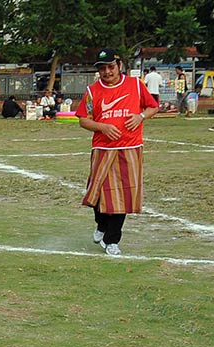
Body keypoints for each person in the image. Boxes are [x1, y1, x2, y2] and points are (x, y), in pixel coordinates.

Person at [75, 48, 158, 256]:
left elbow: (152, 107)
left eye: (110, 67)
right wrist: (102, 127)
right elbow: (83, 119)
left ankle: (112, 240)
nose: (107, 72)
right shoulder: (93, 90)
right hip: (103, 148)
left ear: (119, 66)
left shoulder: (135, 85)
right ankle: (101, 225)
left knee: (124, 195)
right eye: (102, 68)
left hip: (130, 148)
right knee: (97, 193)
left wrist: (140, 117)